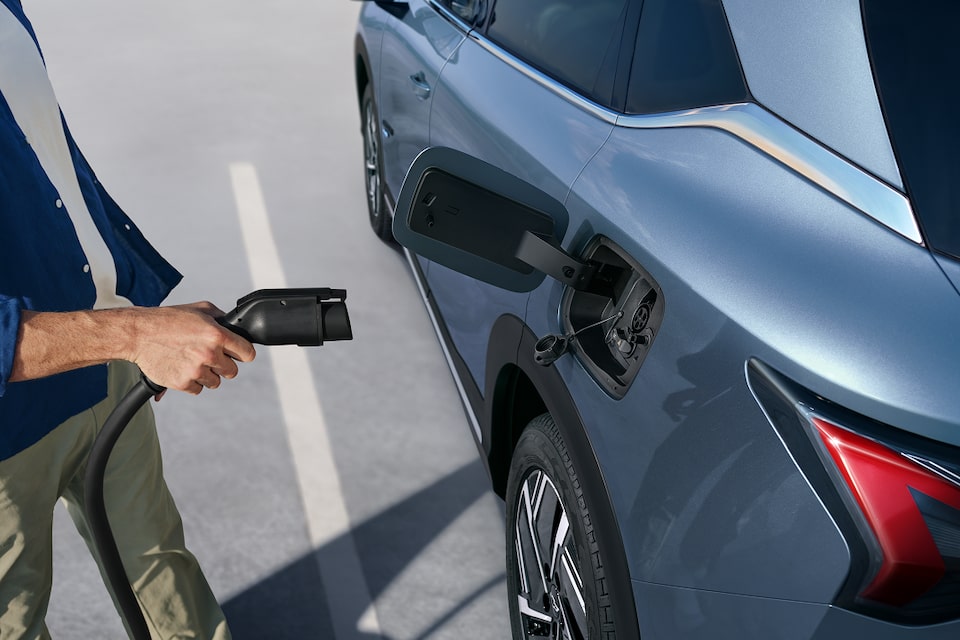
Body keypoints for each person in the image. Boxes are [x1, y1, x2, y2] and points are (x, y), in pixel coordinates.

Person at [0, 1, 255, 638]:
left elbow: (47, 166)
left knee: (163, 578)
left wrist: (133, 311)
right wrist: (137, 332)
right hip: (9, 426)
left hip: (104, 369)